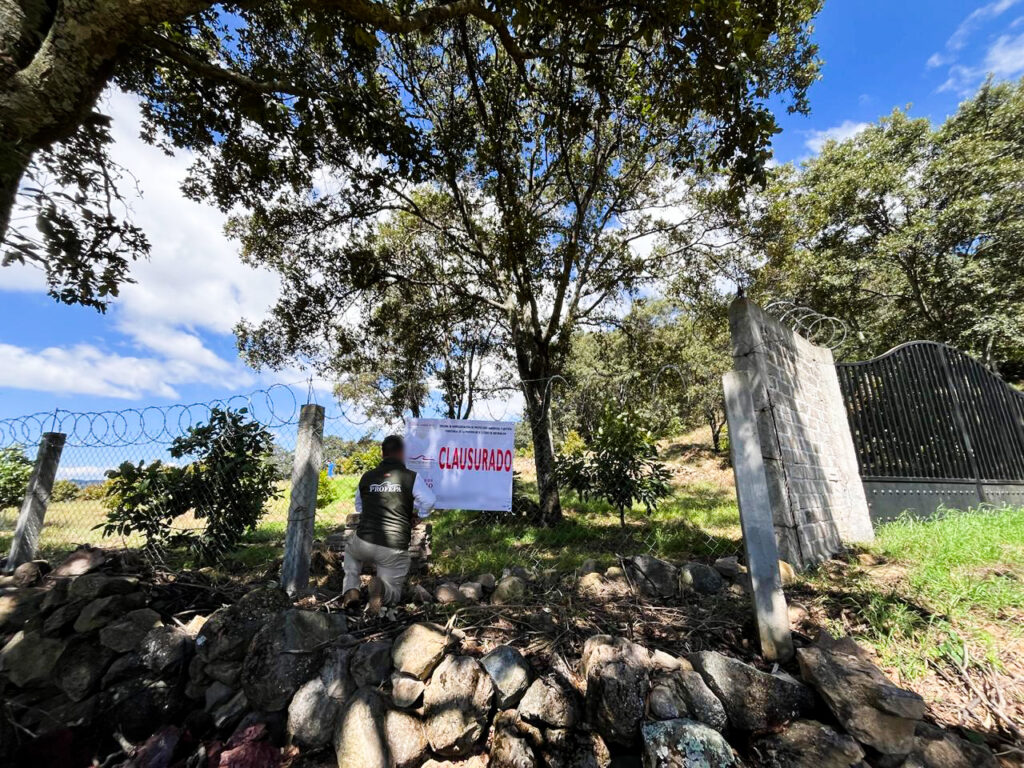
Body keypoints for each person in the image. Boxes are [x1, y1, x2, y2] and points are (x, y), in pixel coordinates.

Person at [342, 434, 435, 612]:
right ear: (402, 453)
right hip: (393, 548)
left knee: (351, 554)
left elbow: (359, 506)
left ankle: (351, 589)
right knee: (392, 592)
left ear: (382, 453)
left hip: (363, 541)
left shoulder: (367, 477)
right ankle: (382, 591)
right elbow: (429, 500)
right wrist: (420, 516)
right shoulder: (411, 477)